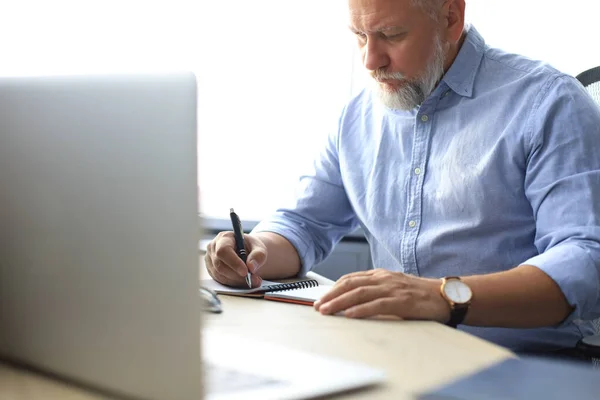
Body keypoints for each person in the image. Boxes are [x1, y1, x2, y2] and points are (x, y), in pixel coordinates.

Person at [205, 0, 600, 359]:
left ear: (450, 17)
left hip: (522, 370)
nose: (370, 60)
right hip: (394, 357)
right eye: (359, 36)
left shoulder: (548, 102)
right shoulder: (356, 117)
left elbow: (585, 260)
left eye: (391, 36)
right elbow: (303, 224)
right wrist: (253, 251)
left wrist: (442, 295)